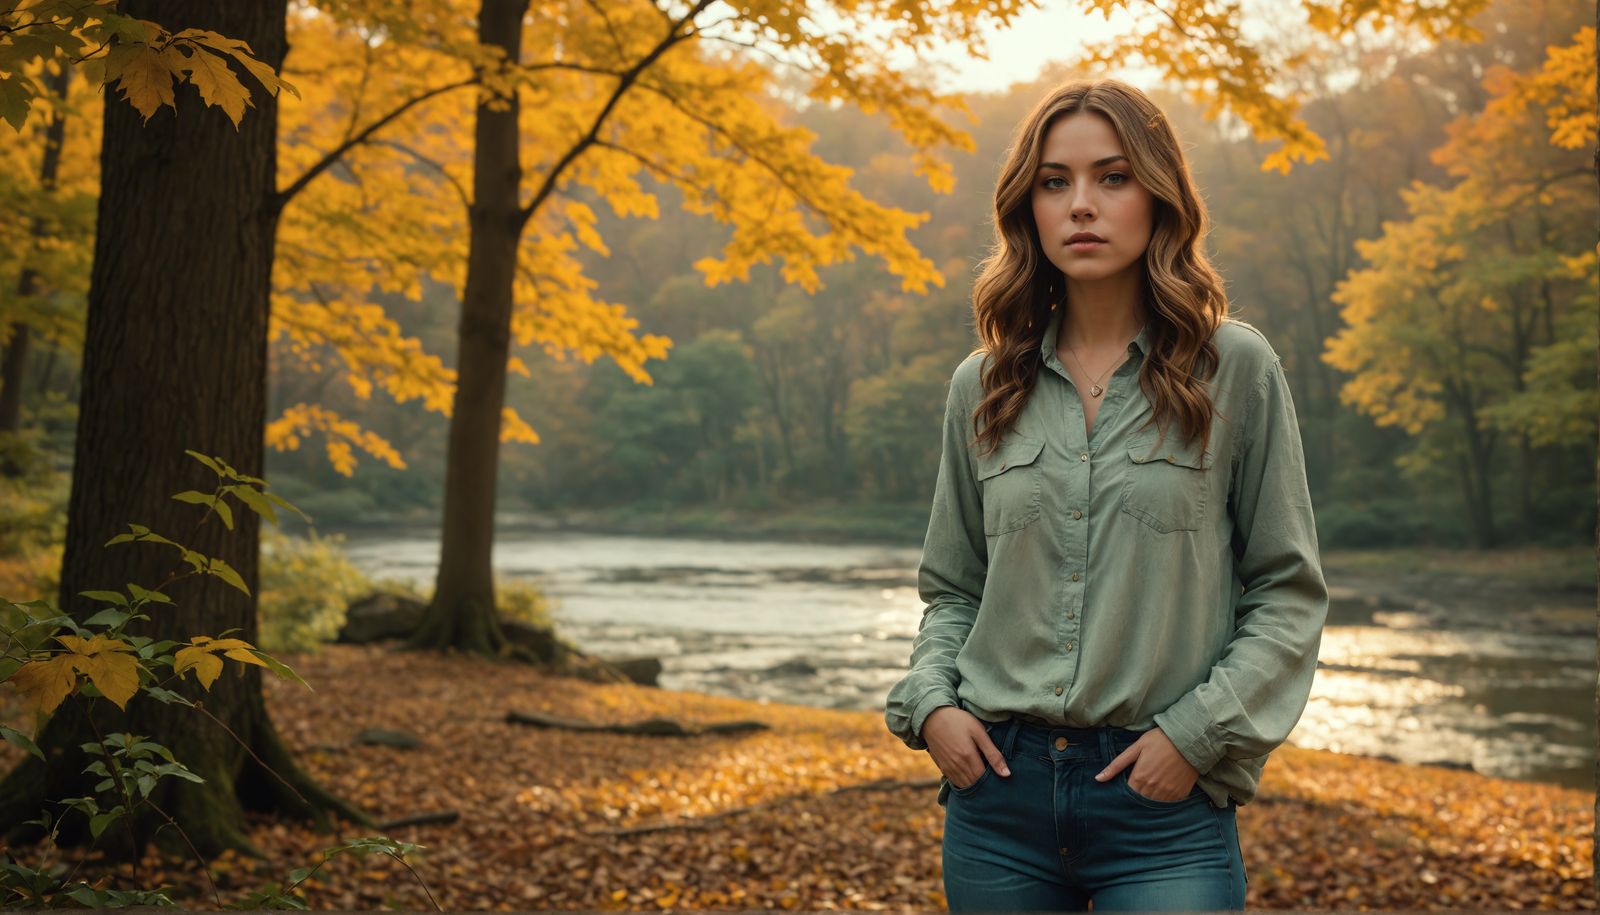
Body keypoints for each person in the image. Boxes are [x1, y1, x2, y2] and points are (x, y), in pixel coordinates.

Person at [882, 77, 1329, 912]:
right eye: (1056, 182)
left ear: (1160, 197)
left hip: (1162, 808)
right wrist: (932, 706)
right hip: (997, 800)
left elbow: (1286, 592)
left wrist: (1193, 739)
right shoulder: (981, 385)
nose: (1081, 204)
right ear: (1029, 206)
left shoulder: (1235, 369)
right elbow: (954, 589)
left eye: (1112, 177)